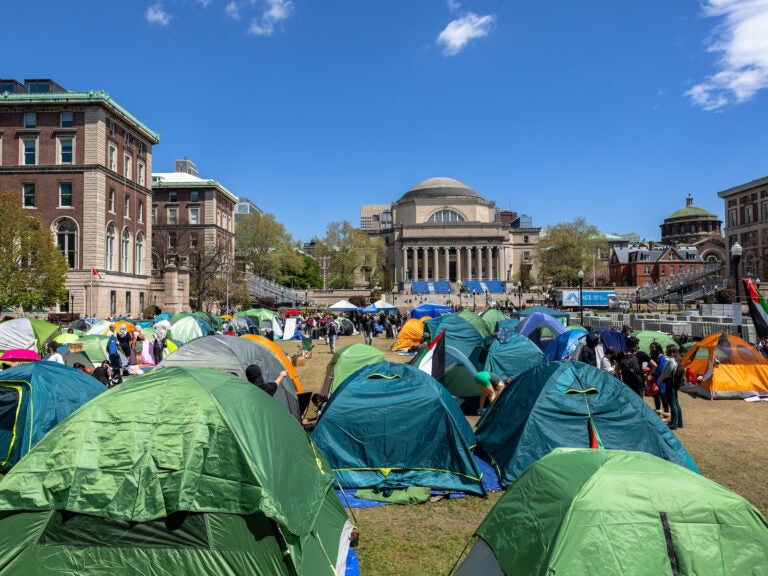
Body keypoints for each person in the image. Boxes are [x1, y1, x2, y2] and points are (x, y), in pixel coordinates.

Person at [664, 344, 685, 430]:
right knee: (676, 403)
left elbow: (667, 373)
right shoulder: (679, 359)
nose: (666, 351)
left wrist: (661, 379)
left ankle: (674, 424)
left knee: (672, 404)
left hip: (670, 383)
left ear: (671, 351)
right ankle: (680, 423)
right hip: (676, 384)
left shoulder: (672, 361)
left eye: (667, 350)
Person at [648, 341, 670, 415]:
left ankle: (666, 414)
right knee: (655, 396)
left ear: (657, 348)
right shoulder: (652, 357)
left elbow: (661, 369)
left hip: (661, 380)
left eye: (653, 347)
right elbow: (649, 366)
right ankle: (658, 412)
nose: (651, 349)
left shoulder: (661, 357)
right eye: (651, 347)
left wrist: (652, 374)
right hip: (653, 380)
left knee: (663, 397)